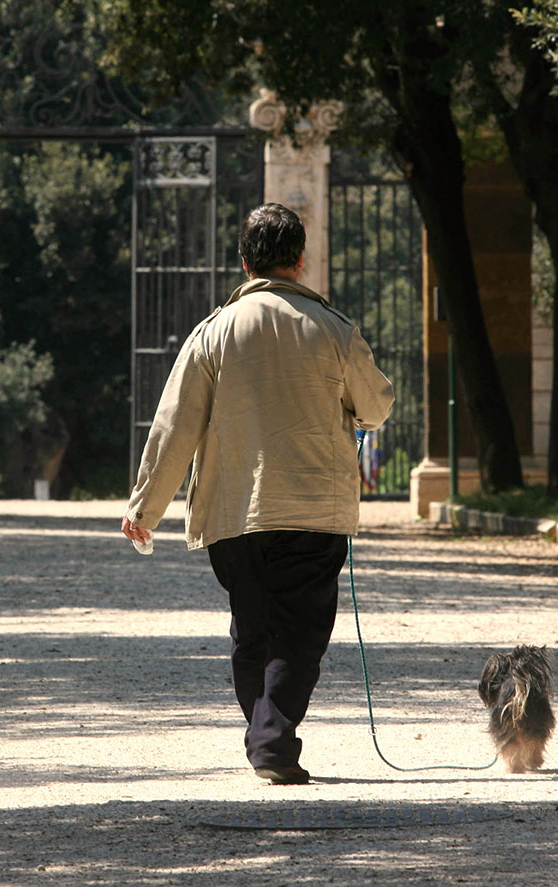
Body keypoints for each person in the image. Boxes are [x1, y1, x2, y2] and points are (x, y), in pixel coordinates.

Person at [120, 203, 394, 785]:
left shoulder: (211, 334)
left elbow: (175, 426)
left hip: (234, 515)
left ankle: (267, 735)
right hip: (314, 512)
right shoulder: (334, 329)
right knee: (300, 634)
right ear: (300, 260)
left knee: (252, 628)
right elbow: (376, 404)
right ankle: (272, 739)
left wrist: (146, 508)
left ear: (244, 262)